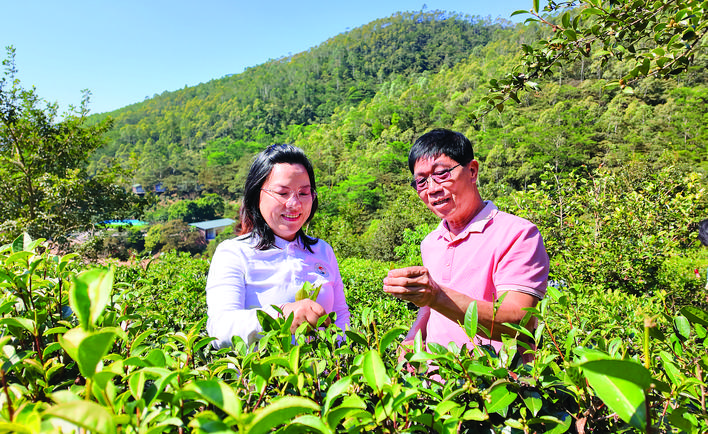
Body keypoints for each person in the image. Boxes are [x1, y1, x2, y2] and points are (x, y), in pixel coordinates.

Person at [383, 129, 549, 362]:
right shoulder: (431, 243)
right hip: (438, 378)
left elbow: (519, 323)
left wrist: (436, 295)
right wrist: (412, 339)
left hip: (495, 378)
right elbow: (429, 308)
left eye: (441, 174)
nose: (432, 188)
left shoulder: (518, 234)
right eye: (421, 181)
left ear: (472, 171)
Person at [206, 144, 350, 349]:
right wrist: (281, 315)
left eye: (303, 193)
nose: (294, 204)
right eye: (282, 193)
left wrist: (341, 355)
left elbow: (341, 315)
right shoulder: (233, 253)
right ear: (257, 195)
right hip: (264, 369)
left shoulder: (322, 250)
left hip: (322, 369)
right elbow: (220, 330)